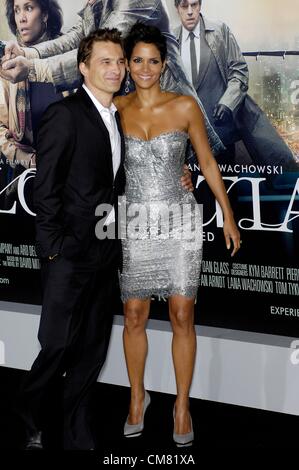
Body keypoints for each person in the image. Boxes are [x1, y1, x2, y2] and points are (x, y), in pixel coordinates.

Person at [17, 27, 193, 451]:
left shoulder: (119, 116)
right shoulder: (66, 113)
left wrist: (179, 175)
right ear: (84, 67)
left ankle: (78, 431)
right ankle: (29, 411)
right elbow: (46, 190)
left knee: (92, 351)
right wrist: (53, 251)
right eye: (105, 62)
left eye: (119, 62)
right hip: (68, 255)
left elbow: (126, 178)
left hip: (107, 250)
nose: (115, 70)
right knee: (57, 345)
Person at [114, 23, 240, 448]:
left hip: (180, 222)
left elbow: (206, 162)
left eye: (154, 60)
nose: (146, 68)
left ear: (163, 65)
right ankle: (137, 397)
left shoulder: (185, 106)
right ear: (128, 65)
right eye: (138, 61)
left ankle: (181, 404)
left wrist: (227, 214)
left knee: (182, 315)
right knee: (134, 315)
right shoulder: (115, 107)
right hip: (135, 222)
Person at [0, 0, 224, 155]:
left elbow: (101, 50)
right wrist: (28, 52)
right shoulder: (98, 3)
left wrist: (31, 68)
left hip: (172, 126)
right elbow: (76, 37)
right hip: (133, 124)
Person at [174, 0, 298, 170]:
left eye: (194, 5)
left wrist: (228, 102)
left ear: (200, 5)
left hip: (221, 135)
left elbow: (239, 70)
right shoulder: (170, 40)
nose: (190, 11)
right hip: (185, 139)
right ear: (176, 8)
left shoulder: (219, 31)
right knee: (192, 193)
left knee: (226, 191)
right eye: (184, 6)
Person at [0, 0, 64, 200]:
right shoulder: (7, 66)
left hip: (69, 173)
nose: (22, 18)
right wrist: (29, 159)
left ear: (44, 14)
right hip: (24, 178)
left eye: (29, 8)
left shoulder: (67, 59)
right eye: (17, 10)